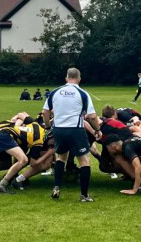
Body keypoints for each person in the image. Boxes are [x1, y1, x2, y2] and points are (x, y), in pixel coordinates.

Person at [42, 67, 101, 202]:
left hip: (58, 129)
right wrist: (97, 130)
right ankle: (84, 195)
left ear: (66, 78)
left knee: (61, 158)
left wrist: (47, 127)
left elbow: (45, 112)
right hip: (75, 129)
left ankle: (56, 187)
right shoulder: (82, 93)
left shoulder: (55, 92)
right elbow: (92, 116)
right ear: (79, 79)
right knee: (84, 161)